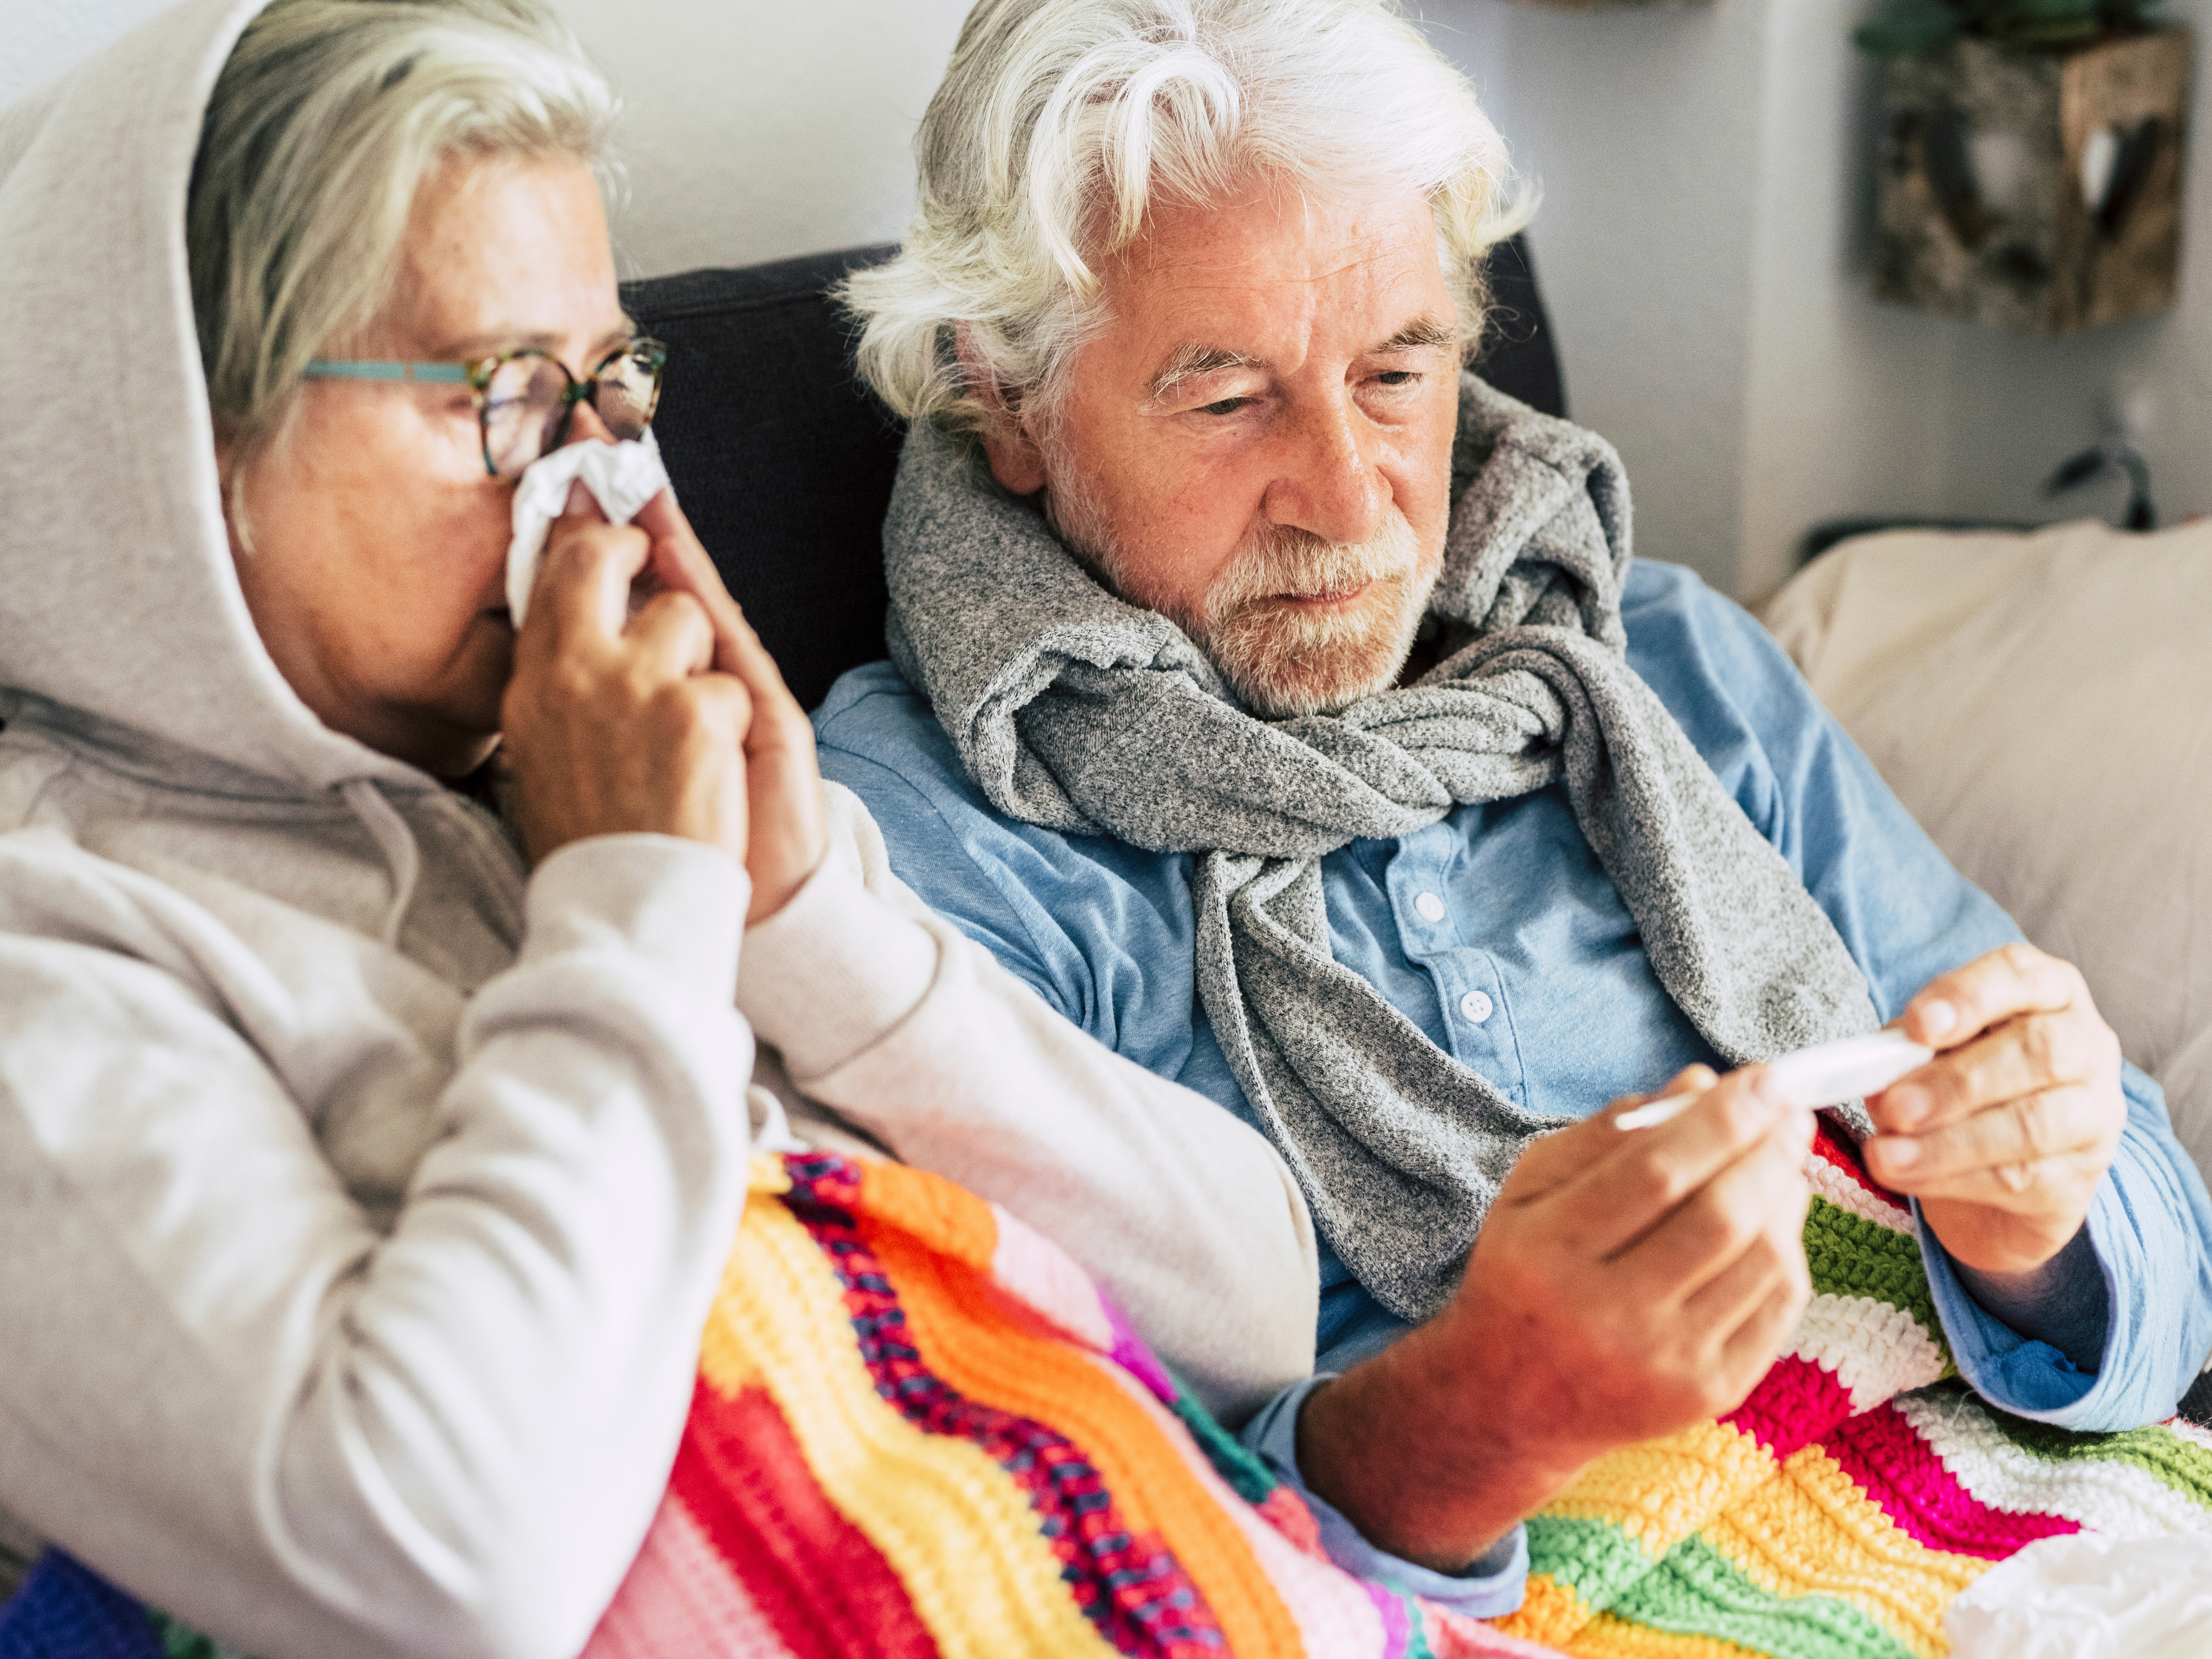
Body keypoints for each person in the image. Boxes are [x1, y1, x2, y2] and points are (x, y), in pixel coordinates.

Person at [823, 0, 2212, 1614]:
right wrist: (1489, 1410)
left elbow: (2161, 1243)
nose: (1352, 501)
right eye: (1226, 401)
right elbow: (1022, 1539)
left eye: (1398, 371)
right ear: (1004, 399)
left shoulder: (1659, 658)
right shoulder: (913, 854)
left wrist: (2030, 1219)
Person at [0, 0, 1319, 1651]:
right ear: (172, 428)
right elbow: (445, 1573)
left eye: (614, 385)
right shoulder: (55, 937)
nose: (605, 487)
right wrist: (631, 912)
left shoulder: (592, 794)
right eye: (501, 392)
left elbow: (1256, 1311)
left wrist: (806, 918)